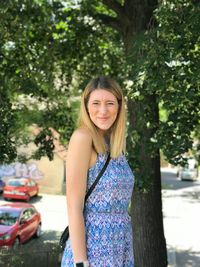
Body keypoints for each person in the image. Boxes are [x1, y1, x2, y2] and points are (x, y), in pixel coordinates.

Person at [61, 76, 134, 267]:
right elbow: (73, 206)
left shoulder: (114, 143)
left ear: (119, 107)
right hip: (93, 252)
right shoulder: (82, 138)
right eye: (96, 103)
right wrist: (80, 262)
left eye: (110, 103)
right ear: (86, 106)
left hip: (120, 247)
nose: (103, 110)